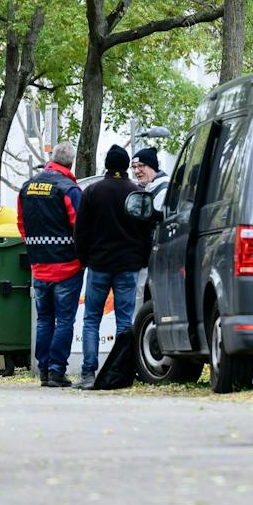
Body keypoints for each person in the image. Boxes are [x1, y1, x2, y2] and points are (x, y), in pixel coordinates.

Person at [74, 145, 154, 389]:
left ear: (107, 165)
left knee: (91, 319)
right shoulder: (136, 193)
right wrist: (142, 260)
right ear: (125, 165)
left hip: (98, 264)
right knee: (124, 320)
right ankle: (122, 372)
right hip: (128, 265)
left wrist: (84, 259)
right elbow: (146, 230)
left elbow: (81, 231)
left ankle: (88, 373)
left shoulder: (92, 192)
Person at [18, 140, 86, 388]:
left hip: (39, 267)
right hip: (67, 266)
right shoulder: (69, 189)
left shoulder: (27, 188)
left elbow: (21, 225)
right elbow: (80, 228)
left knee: (44, 319)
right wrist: (83, 258)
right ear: (71, 163)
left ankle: (44, 369)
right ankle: (57, 370)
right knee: (65, 320)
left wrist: (36, 250)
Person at [131, 148, 170, 215]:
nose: (136, 171)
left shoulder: (164, 191)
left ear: (152, 166)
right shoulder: (148, 186)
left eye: (140, 166)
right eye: (134, 167)